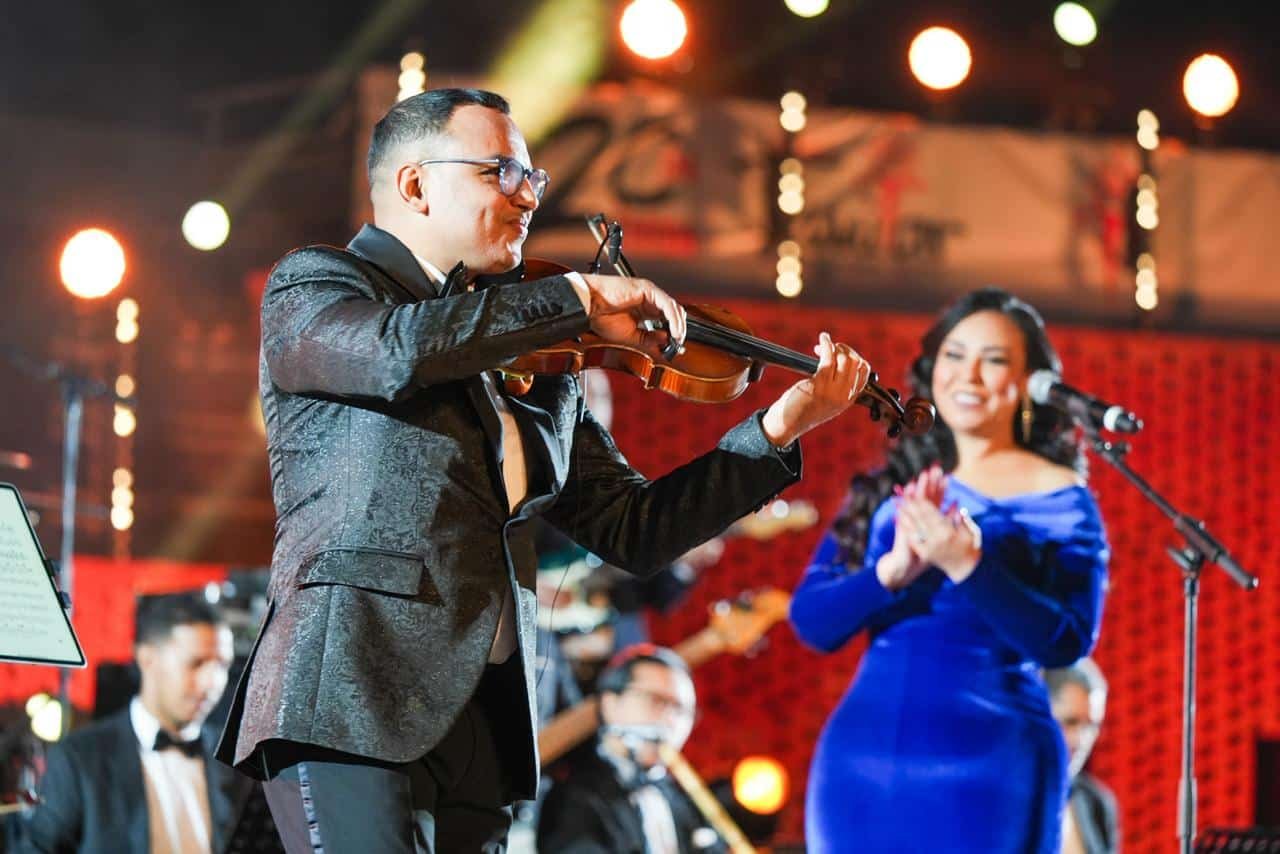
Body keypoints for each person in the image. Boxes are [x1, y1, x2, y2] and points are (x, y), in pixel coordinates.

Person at [215, 87, 873, 853]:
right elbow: (399, 351)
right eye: (502, 172)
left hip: (487, 715)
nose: (528, 196)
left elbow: (634, 529)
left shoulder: (541, 353)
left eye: (534, 178)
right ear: (415, 184)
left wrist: (775, 429)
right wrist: (576, 297)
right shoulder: (320, 286)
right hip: (351, 695)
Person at [789, 287, 1110, 853]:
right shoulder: (899, 481)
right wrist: (888, 574)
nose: (970, 375)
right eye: (955, 356)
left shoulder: (1063, 499)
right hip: (865, 760)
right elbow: (812, 623)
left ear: (1030, 382)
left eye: (994, 360)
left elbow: (1067, 642)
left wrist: (968, 564)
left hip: (991, 766)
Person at [17, 593, 244, 854]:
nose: (212, 682)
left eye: (222, 665)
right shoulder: (79, 758)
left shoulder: (234, 760)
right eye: (196, 663)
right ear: (147, 658)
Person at [536, 646, 726, 854]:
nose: (671, 721)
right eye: (657, 700)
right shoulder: (572, 795)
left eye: (682, 711)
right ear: (609, 703)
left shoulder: (683, 800)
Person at [1046, 658, 1120, 854]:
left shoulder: (1096, 802)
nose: (1081, 740)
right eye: (1070, 722)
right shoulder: (1008, 796)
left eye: (1091, 726)